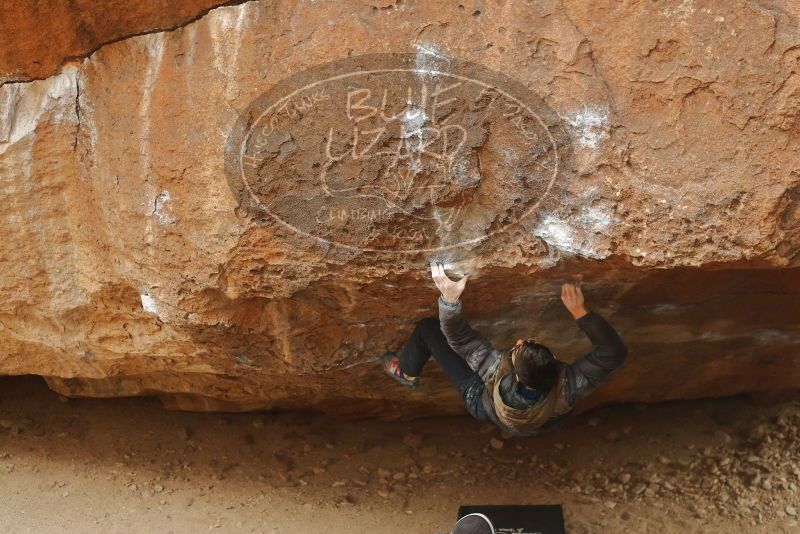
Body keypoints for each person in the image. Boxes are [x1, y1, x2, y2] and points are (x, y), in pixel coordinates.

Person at [381, 263, 627, 437]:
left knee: (427, 329)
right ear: (554, 359)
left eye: (518, 348)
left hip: (482, 402)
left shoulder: (496, 372)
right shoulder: (570, 388)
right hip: (540, 424)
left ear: (516, 375)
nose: (520, 341)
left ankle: (407, 372)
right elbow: (612, 353)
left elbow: (460, 338)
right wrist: (580, 312)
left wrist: (450, 299)